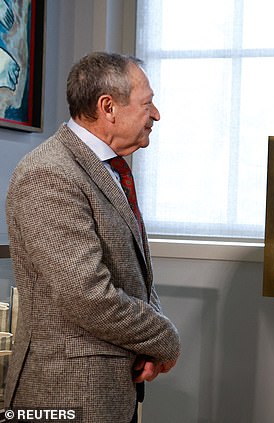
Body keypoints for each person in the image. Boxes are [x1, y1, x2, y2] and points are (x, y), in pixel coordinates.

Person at [4, 52, 180, 422]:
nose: (157, 114)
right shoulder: (49, 174)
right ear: (108, 107)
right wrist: (163, 338)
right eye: (147, 103)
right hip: (67, 392)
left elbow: (131, 270)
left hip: (111, 390)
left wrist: (147, 346)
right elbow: (87, 295)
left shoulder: (109, 169)